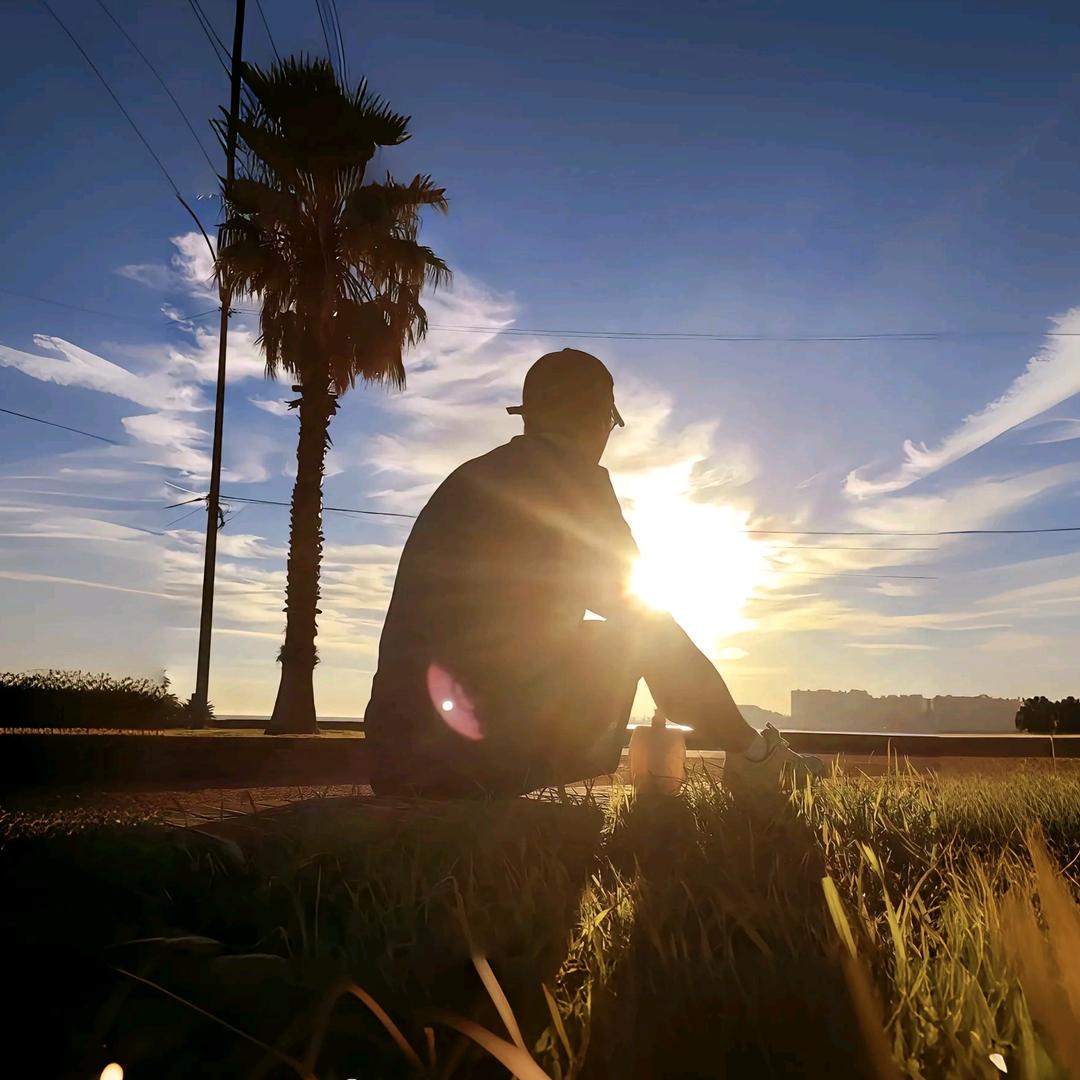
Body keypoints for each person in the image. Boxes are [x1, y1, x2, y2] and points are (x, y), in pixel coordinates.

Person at [365, 348, 822, 798]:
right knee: (640, 630)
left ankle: (753, 753)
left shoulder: (470, 478)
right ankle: (759, 760)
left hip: (396, 757)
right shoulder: (573, 483)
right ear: (601, 420)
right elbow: (639, 618)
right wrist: (743, 739)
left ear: (529, 417)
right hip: (471, 761)